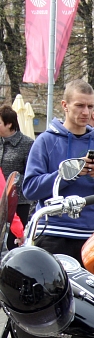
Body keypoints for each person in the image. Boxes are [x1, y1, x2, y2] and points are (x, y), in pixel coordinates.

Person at [23, 79, 94, 263]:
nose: (86, 112)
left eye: (90, 106)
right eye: (80, 105)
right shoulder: (45, 141)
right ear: (65, 106)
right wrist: (68, 174)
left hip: (92, 237)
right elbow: (29, 189)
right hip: (52, 235)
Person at [0, 105, 34, 249]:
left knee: (13, 242)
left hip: (18, 201)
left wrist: (15, 186)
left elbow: (30, 173)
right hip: (0, 200)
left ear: (9, 124)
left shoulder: (27, 144)